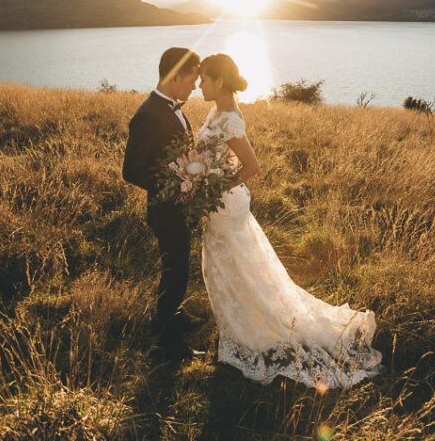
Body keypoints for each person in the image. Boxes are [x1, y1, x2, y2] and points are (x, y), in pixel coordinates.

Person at [196, 53, 383, 388]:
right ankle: (235, 328)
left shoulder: (231, 120)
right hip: (217, 205)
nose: (199, 84)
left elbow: (251, 166)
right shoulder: (216, 111)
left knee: (238, 269)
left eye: (203, 79)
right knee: (226, 269)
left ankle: (253, 332)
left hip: (224, 205)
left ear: (219, 82)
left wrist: (215, 188)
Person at [122, 47, 204, 361]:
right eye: (192, 79)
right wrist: (176, 185)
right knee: (175, 272)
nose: (195, 86)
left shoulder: (173, 109)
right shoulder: (148, 115)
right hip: (167, 210)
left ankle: (175, 316)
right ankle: (168, 344)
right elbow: (131, 170)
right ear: (174, 76)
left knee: (179, 269)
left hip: (180, 208)